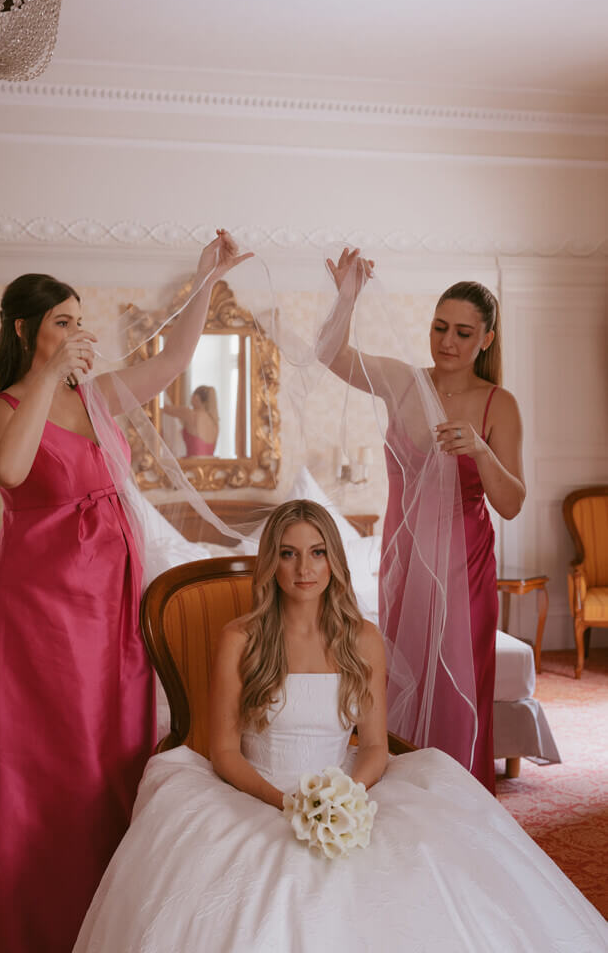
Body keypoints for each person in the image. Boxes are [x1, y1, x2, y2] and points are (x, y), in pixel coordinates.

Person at [73, 500, 606, 952]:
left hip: (346, 787)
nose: (304, 568)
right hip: (255, 791)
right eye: (288, 553)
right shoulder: (240, 638)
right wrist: (286, 804)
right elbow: (225, 753)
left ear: (333, 559)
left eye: (317, 552)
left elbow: (374, 746)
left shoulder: (362, 638)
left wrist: (346, 798)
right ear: (272, 564)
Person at [0, 230, 253, 953]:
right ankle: (37, 919)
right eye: (60, 321)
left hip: (113, 601)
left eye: (77, 319)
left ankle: (112, 918)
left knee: (113, 753)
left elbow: (175, 360)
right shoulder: (0, 407)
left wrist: (203, 281)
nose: (76, 331)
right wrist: (46, 377)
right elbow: (9, 470)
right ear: (25, 331)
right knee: (49, 758)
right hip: (44, 609)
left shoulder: (97, 398)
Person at [321, 248, 525, 793]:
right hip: (404, 559)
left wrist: (481, 451)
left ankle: (459, 797)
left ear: (485, 339)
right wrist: (348, 295)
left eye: (462, 332)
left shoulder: (497, 404)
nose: (447, 342)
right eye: (439, 328)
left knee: (460, 678)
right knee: (401, 673)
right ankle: (401, 795)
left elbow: (512, 503)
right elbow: (330, 353)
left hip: (465, 564)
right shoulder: (404, 382)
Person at [163, 384, 220, 455]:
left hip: (191, 464)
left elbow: (165, 408)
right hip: (210, 464)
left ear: (196, 397)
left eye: (192, 395)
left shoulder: (189, 413)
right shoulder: (214, 422)